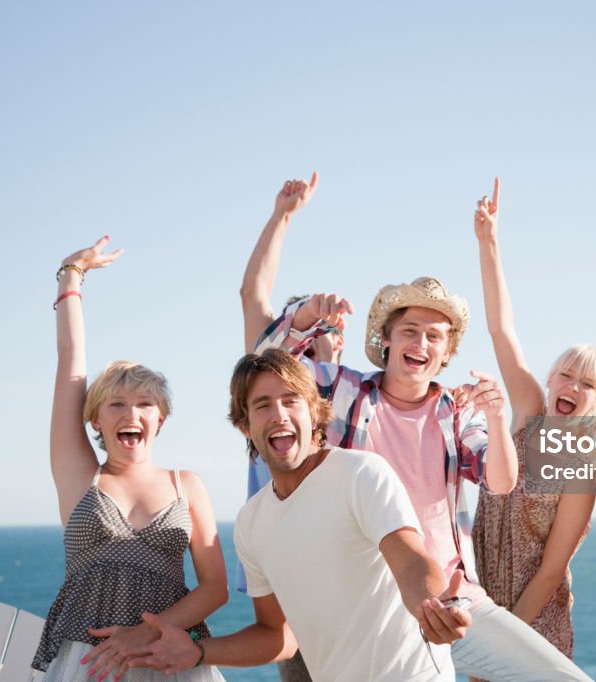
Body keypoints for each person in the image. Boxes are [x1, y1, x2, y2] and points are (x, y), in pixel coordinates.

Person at [254, 275, 594, 680]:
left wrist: (497, 417)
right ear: (386, 339)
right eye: (409, 332)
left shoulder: (457, 412)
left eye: (435, 336)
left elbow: (500, 481)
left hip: (454, 602)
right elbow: (264, 365)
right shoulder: (342, 391)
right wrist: (306, 314)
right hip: (370, 609)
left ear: (447, 351)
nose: (420, 344)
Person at [131, 348, 471, 681]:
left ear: (313, 412)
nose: (278, 414)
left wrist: (431, 607)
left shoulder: (360, 473)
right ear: (245, 426)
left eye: (290, 400)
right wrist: (198, 650)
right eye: (263, 405)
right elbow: (276, 636)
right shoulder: (251, 522)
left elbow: (411, 560)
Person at [34, 237, 228, 682]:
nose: (131, 413)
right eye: (116, 404)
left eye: (144, 404)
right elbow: (71, 364)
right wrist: (71, 275)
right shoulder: (81, 475)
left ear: (160, 419)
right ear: (95, 421)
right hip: (90, 665)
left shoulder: (187, 485)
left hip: (167, 657)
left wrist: (143, 634)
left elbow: (216, 588)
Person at [470, 177, 596, 660]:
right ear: (550, 381)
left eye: (587, 384)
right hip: (480, 607)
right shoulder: (528, 411)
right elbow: (500, 328)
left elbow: (552, 570)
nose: (573, 386)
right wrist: (489, 243)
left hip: (533, 626)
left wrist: (500, 640)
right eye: (566, 375)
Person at [237, 172, 341, 682]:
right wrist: (282, 216)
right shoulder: (264, 377)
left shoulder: (345, 394)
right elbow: (252, 289)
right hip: (282, 562)